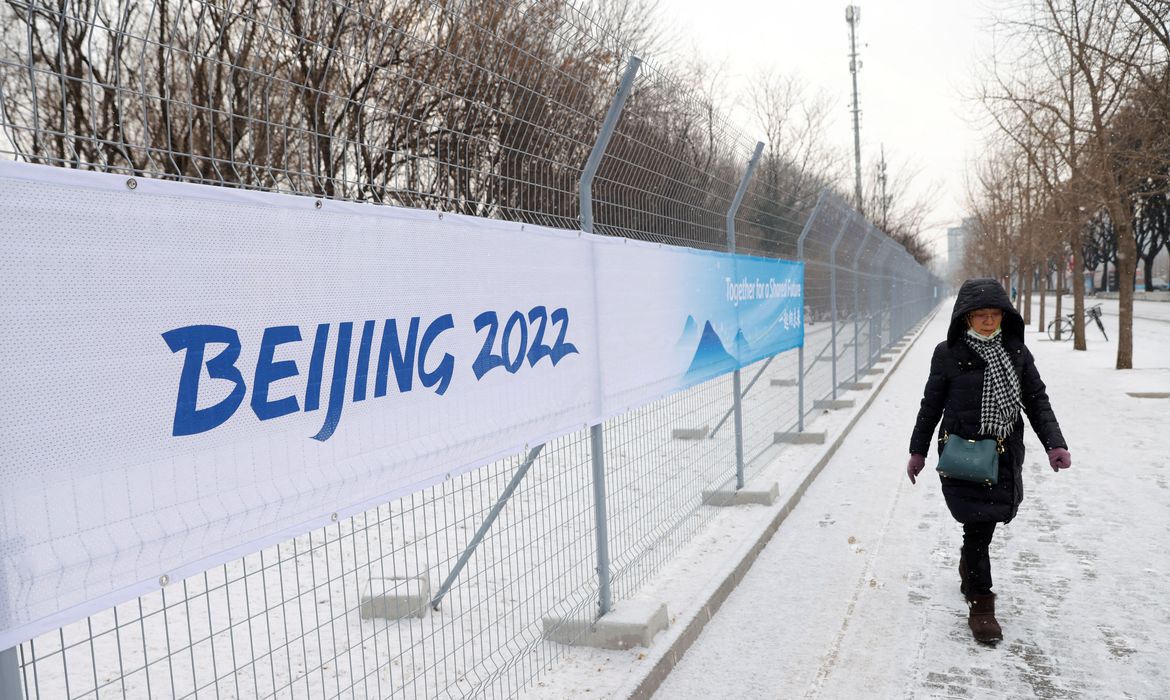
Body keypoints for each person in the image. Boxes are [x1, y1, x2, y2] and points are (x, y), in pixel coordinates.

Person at [905, 278, 1071, 644]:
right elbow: (930, 405)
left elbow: (1037, 400)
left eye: (993, 314)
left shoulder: (1016, 352)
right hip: (964, 453)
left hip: (1003, 453)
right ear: (964, 318)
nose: (987, 321)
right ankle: (981, 605)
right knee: (977, 526)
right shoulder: (946, 353)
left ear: (1004, 316)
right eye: (979, 315)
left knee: (985, 527)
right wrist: (918, 450)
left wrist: (1054, 443)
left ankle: (969, 563)